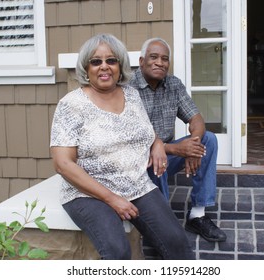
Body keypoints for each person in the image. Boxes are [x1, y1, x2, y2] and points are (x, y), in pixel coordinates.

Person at [50, 34, 195, 260]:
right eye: (96, 61)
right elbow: (63, 163)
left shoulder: (132, 94)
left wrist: (157, 143)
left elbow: (145, 130)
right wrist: (111, 199)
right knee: (118, 251)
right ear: (86, 68)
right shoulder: (71, 105)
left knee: (178, 244)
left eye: (111, 60)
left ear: (120, 66)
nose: (104, 67)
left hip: (137, 185)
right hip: (88, 193)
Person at [129, 38, 227, 242]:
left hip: (166, 154)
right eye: (153, 57)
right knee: (157, 157)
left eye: (165, 59)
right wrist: (175, 149)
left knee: (208, 139)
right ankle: (162, 224)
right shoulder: (127, 89)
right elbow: (133, 138)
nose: (160, 62)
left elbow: (196, 118)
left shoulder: (173, 85)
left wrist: (194, 144)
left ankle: (197, 215)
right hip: (138, 161)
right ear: (141, 61)